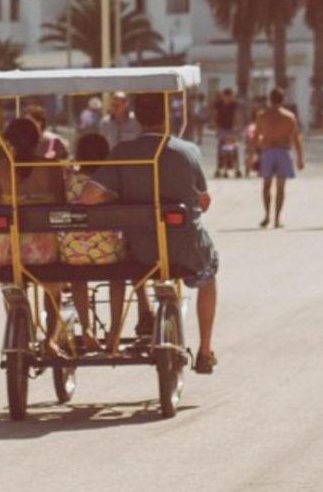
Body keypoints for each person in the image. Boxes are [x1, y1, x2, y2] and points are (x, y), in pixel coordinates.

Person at [80, 91, 220, 375]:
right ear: (166, 118)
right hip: (185, 249)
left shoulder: (122, 153)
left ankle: (145, 311)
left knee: (128, 251)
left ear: (139, 119)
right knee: (210, 274)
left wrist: (115, 198)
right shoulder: (188, 151)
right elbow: (203, 200)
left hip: (142, 250)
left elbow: (89, 196)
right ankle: (205, 350)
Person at [0, 117, 64, 338]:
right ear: (37, 140)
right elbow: (61, 207)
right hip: (44, 252)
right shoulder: (52, 168)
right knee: (54, 287)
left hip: (9, 253)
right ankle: (51, 337)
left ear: (8, 141)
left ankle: (18, 318)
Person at [61, 132, 130, 352]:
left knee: (78, 276)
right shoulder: (110, 181)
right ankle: (115, 330)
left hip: (73, 253)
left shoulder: (69, 181)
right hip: (106, 254)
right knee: (117, 275)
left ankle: (87, 328)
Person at [252, 87, 305, 228]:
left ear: (270, 99)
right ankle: (277, 219)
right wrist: (300, 158)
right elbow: (296, 139)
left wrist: (250, 156)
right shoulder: (289, 117)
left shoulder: (262, 115)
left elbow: (256, 137)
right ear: (283, 100)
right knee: (280, 188)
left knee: (266, 186)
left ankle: (267, 215)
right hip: (283, 152)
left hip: (267, 151)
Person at [211, 88, 242, 178]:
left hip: (231, 129)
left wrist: (237, 128)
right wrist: (215, 126)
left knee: (234, 148)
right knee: (221, 148)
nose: (227, 98)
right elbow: (215, 115)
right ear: (223, 96)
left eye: (229, 97)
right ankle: (219, 168)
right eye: (226, 96)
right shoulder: (218, 104)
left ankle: (237, 168)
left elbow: (237, 115)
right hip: (221, 128)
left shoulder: (234, 105)